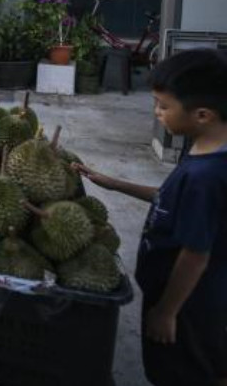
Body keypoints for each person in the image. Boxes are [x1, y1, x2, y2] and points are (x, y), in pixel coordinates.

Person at [74, 49, 227, 386]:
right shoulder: (201, 150)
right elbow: (169, 200)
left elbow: (196, 254)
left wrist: (167, 311)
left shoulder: (207, 177)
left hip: (189, 306)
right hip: (176, 296)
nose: (156, 113)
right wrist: (110, 182)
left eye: (163, 106)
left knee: (185, 373)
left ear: (202, 114)